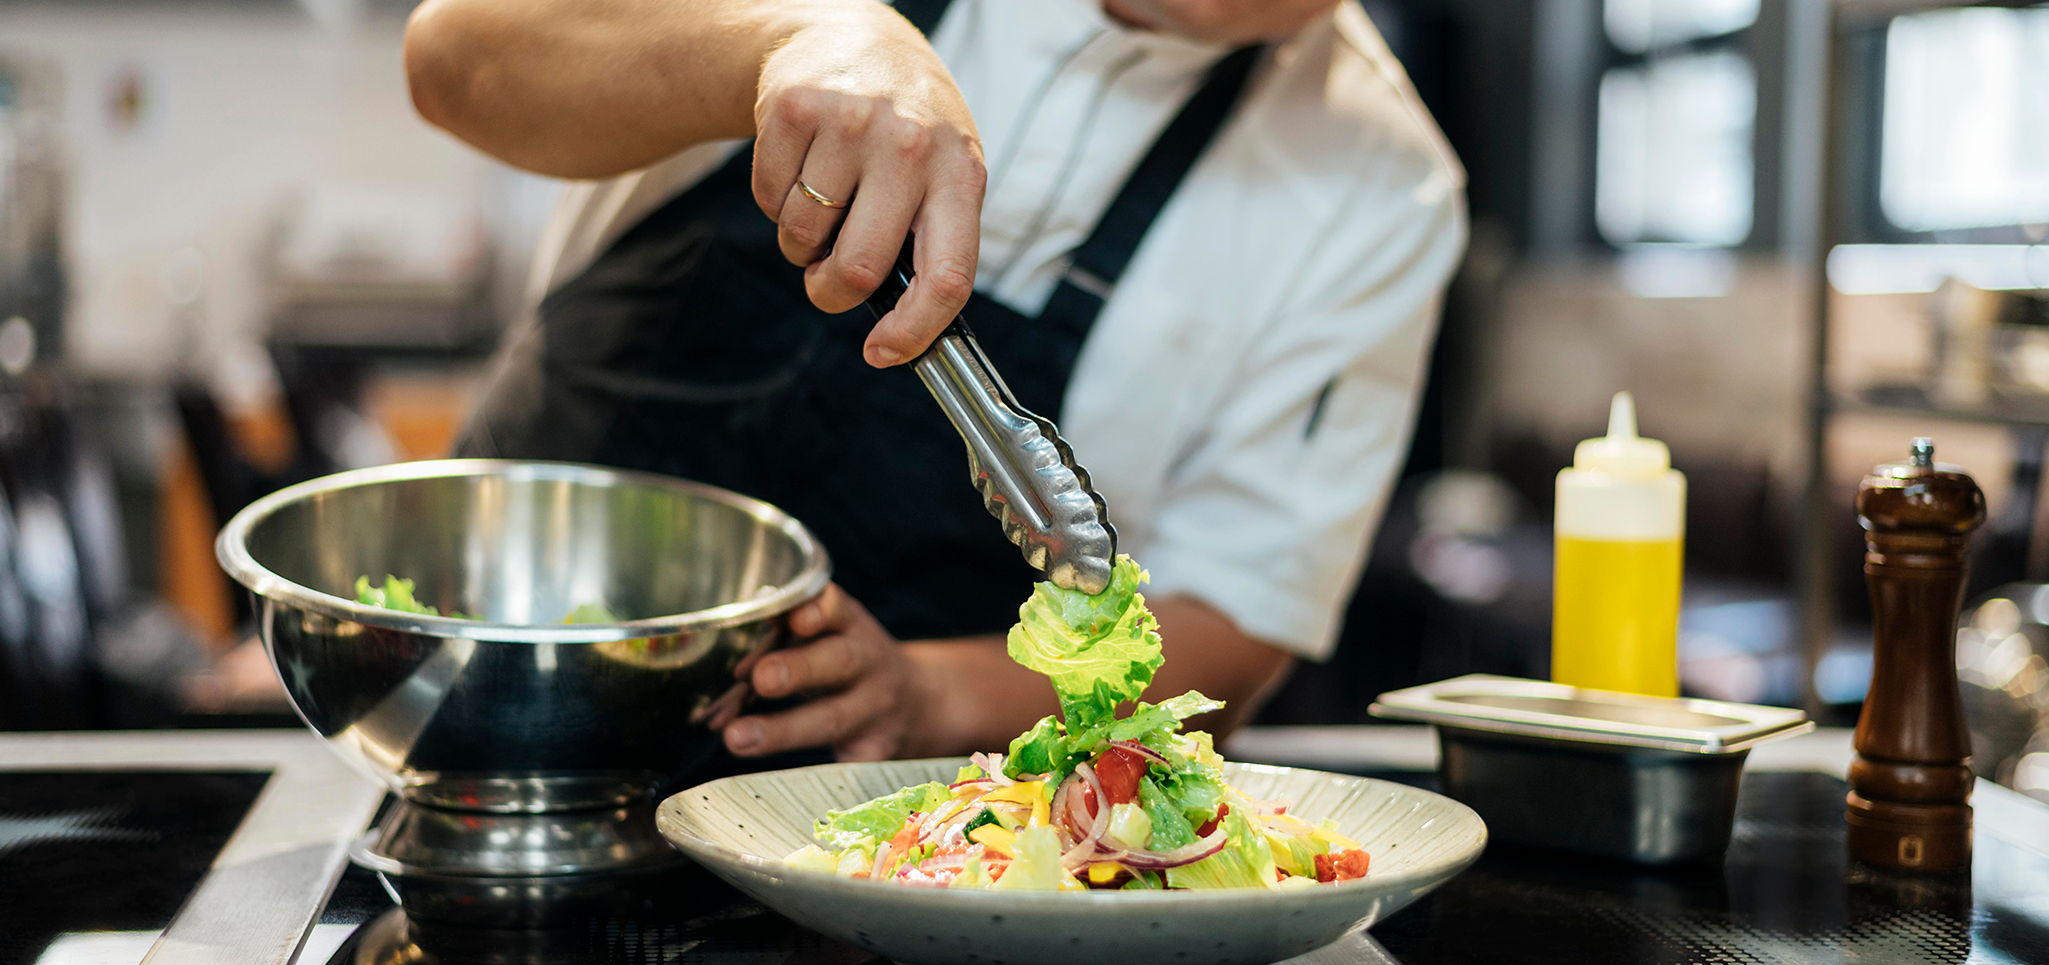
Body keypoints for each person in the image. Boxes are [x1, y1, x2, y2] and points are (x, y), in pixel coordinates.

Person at [402, 0, 1465, 766]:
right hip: (473, 720)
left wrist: (926, 693)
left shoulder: (1383, 185)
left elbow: (1233, 613)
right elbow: (454, 55)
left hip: (887, 842)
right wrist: (782, 42)